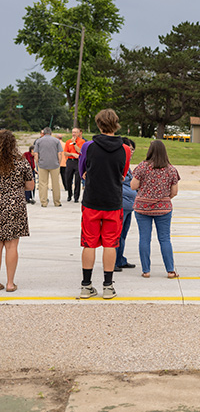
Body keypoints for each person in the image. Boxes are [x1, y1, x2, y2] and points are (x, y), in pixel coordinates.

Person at [78, 109, 130, 299]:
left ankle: (86, 285)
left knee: (89, 243)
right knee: (110, 243)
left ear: (99, 124)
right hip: (113, 201)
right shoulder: (125, 149)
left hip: (92, 200)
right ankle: (108, 286)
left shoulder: (88, 146)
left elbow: (82, 169)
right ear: (116, 124)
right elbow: (123, 174)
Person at [131, 140, 180, 279]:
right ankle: (170, 270)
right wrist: (164, 197)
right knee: (165, 239)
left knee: (144, 239)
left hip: (142, 208)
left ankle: (146, 270)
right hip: (163, 209)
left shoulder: (142, 167)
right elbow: (174, 191)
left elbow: (133, 186)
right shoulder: (171, 169)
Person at [0, 130, 34, 292]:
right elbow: (30, 186)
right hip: (15, 206)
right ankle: (10, 283)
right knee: (12, 246)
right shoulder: (21, 162)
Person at [115, 137, 137, 272]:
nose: (132, 152)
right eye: (130, 148)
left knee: (123, 234)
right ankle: (113, 262)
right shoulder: (119, 164)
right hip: (121, 204)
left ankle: (120, 259)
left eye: (133, 149)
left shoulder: (128, 165)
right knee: (117, 234)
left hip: (129, 206)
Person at [33, 127, 63, 207]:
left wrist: (38, 163)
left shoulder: (38, 141)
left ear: (44, 133)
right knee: (55, 183)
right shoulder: (56, 141)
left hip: (42, 164)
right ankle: (57, 202)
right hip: (54, 164)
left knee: (43, 183)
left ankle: (44, 202)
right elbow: (59, 153)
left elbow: (36, 154)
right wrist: (58, 163)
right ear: (51, 133)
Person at [64, 127, 86, 203]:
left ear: (79, 133)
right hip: (70, 161)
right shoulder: (68, 142)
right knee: (68, 179)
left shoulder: (82, 141)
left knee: (77, 180)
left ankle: (76, 197)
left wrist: (74, 143)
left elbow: (79, 151)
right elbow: (65, 153)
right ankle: (69, 194)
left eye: (75, 132)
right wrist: (71, 154)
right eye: (73, 132)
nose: (73, 134)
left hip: (77, 162)